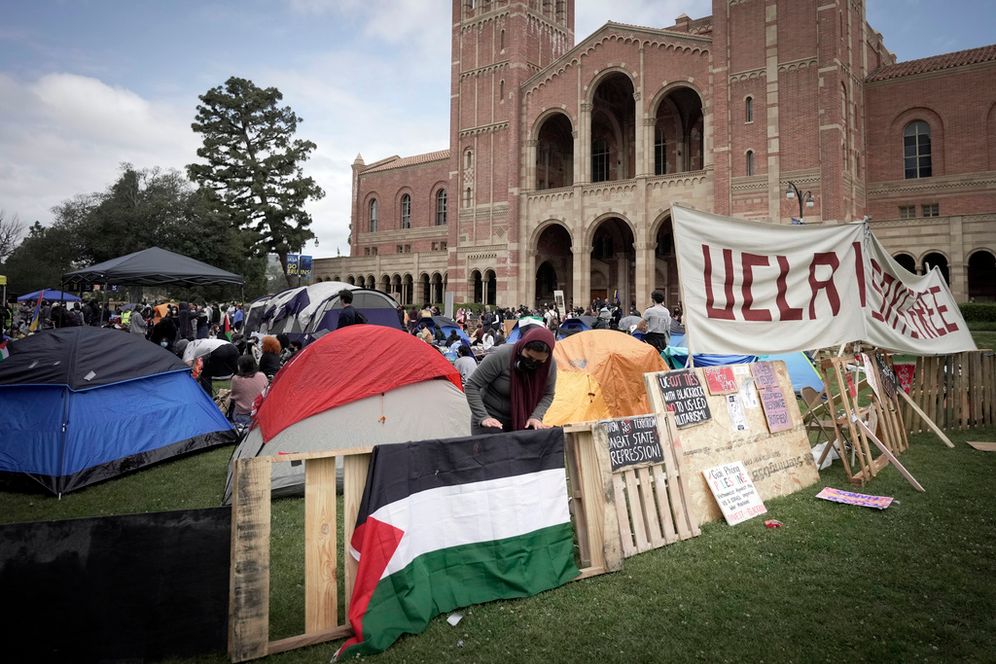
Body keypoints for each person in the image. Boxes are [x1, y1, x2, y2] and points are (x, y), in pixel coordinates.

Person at [464, 326, 557, 435]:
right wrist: (483, 417)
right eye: (529, 357)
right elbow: (471, 385)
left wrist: (536, 417)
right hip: (490, 420)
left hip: (523, 420)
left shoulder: (549, 365)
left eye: (539, 360)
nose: (532, 362)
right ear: (523, 347)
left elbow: (548, 394)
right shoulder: (502, 355)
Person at [229, 355, 269, 426]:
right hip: (260, 413)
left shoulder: (236, 379)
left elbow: (233, 396)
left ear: (240, 366)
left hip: (243, 414)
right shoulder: (262, 376)